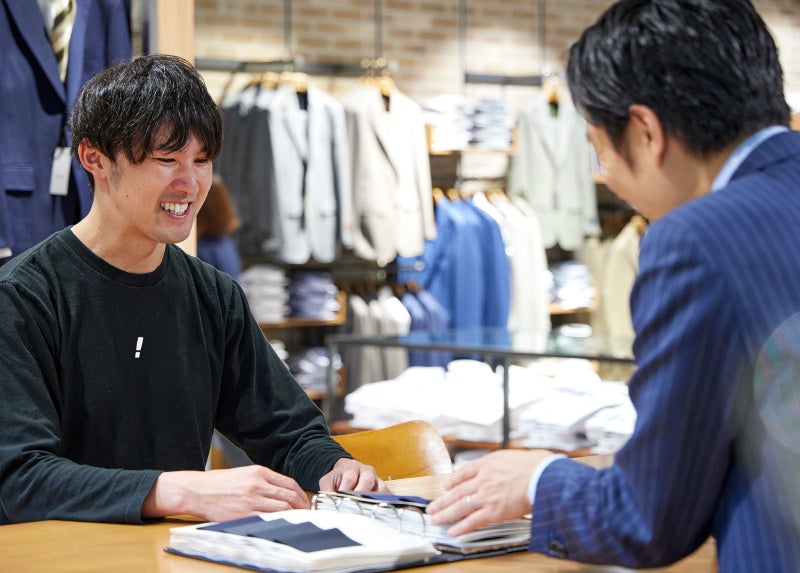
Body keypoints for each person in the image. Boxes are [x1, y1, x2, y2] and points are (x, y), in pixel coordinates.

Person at [427, 1, 800, 571]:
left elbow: (648, 516)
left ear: (647, 132)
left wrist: (538, 478)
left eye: (599, 149)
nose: (606, 176)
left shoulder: (694, 240)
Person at [0, 54, 383, 525]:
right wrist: (175, 490)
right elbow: (18, 478)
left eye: (201, 161)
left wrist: (336, 467)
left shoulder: (214, 295)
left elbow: (288, 429)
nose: (190, 184)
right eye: (166, 160)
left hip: (177, 551)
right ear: (94, 158)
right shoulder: (22, 298)